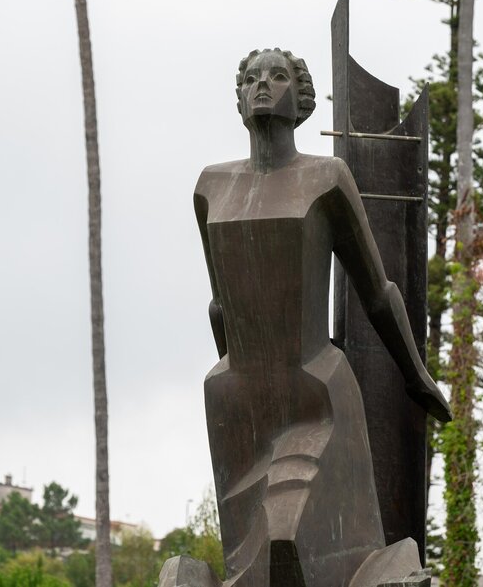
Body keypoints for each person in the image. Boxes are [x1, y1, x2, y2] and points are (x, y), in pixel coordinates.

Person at [189, 48, 450, 587]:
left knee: (287, 535)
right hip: (236, 400)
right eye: (252, 78)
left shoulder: (327, 178)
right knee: (250, 571)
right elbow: (220, 305)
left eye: (277, 76)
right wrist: (240, 389)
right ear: (240, 99)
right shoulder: (210, 187)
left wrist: (415, 374)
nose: (262, 85)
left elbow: (377, 291)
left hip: (314, 391)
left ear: (302, 100)